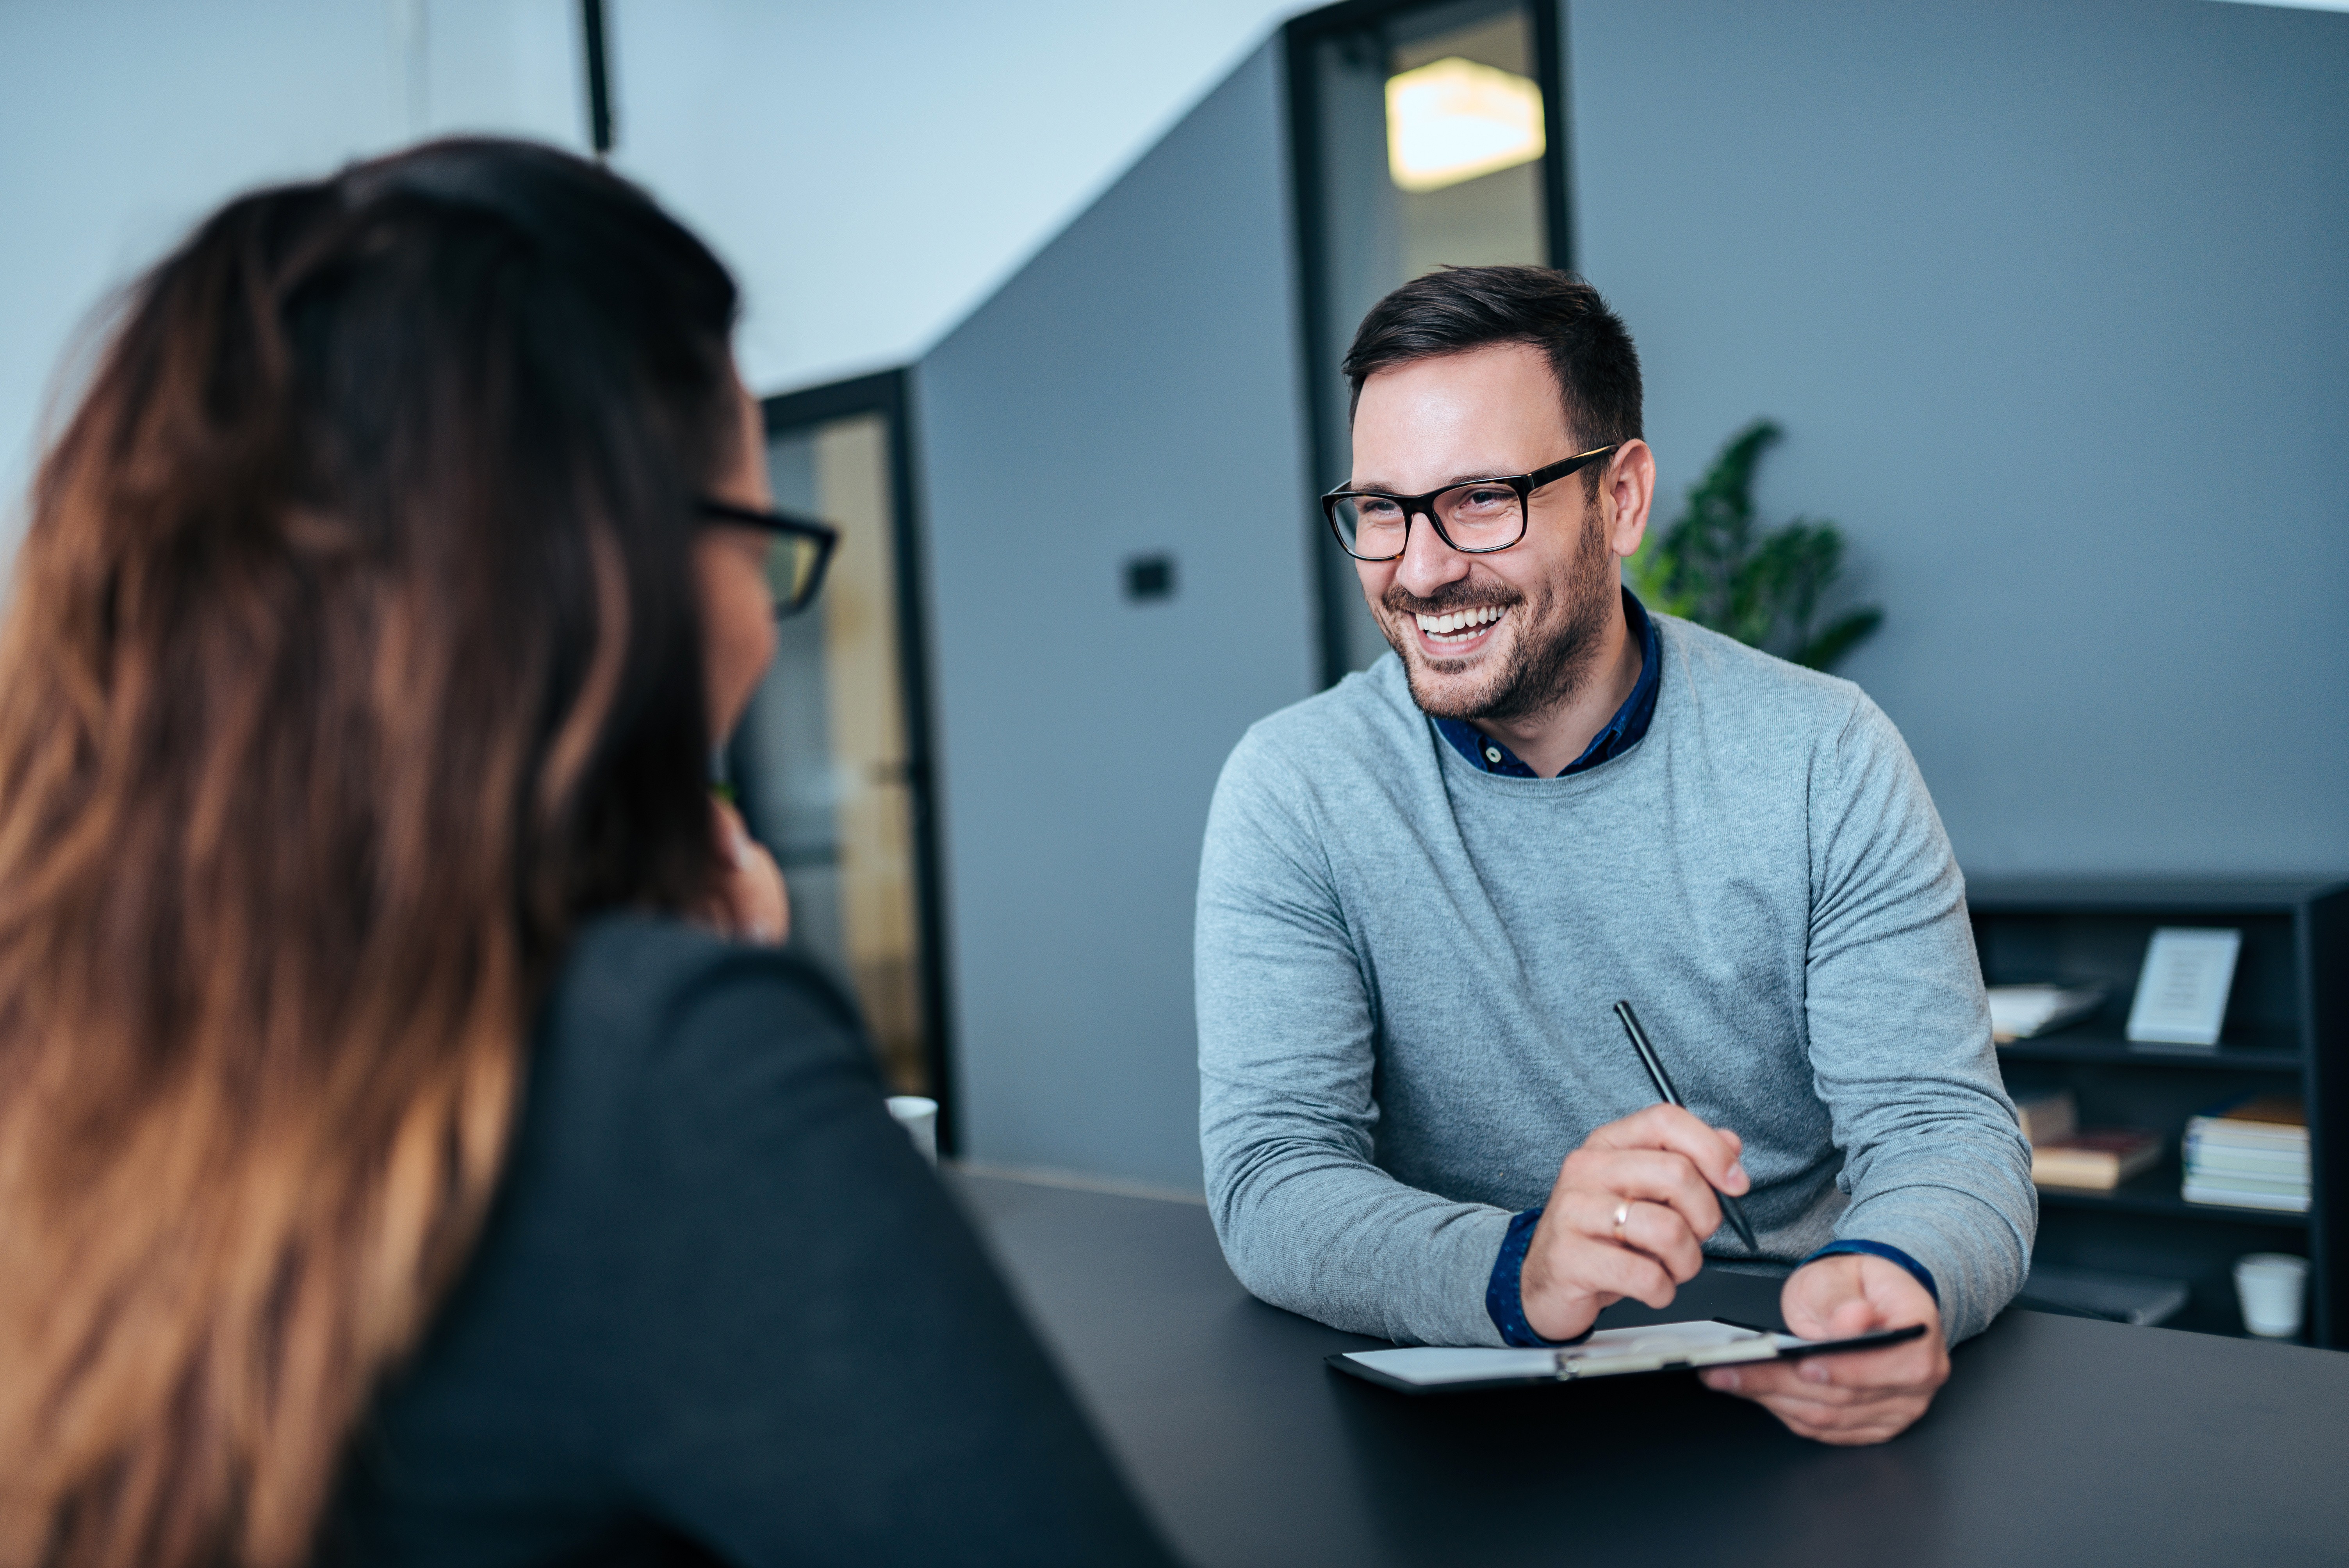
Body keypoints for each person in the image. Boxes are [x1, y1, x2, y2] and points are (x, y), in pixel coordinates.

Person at [0, 140, 1177, 1567]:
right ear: (602, 575)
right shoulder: (658, 1074)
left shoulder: (66, 1029)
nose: (762, 626)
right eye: (759, 543)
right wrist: (709, 1025)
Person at [1196, 265, 2034, 1446]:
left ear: (1623, 498)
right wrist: (1523, 1268)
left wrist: (1898, 1277)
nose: (1422, 567)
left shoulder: (1821, 754)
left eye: (1482, 497)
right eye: (1382, 508)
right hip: (1459, 1413)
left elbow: (1943, 1131)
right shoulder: (1297, 786)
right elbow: (1274, 1178)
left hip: (1784, 1387)